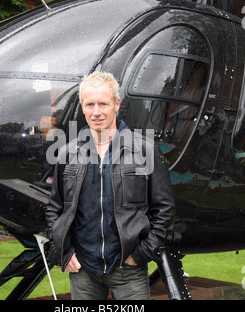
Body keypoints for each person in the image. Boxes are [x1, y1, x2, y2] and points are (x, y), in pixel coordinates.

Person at [45, 71, 175, 300]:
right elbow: (55, 208)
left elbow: (163, 209)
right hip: (83, 271)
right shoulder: (66, 154)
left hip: (129, 270)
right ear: (83, 107)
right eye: (90, 104)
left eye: (103, 104)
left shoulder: (145, 151)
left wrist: (141, 254)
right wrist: (63, 253)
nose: (96, 112)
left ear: (116, 104)